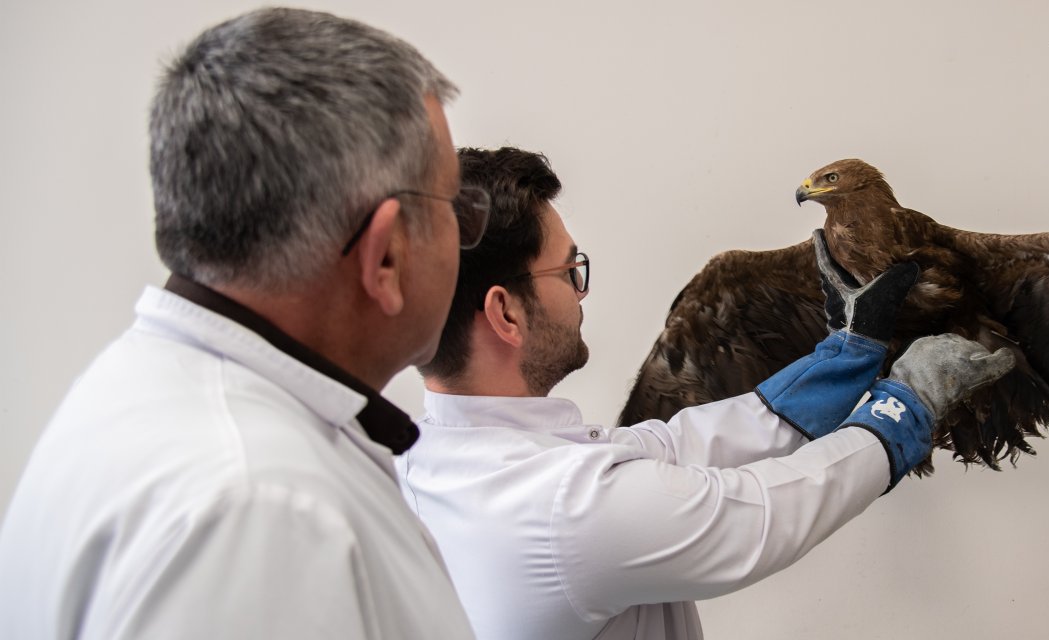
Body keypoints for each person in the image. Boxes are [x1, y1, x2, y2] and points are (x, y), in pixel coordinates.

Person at [396, 146, 1015, 639]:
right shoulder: (562, 511)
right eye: (568, 271)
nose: (581, 291)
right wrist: (904, 405)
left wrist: (848, 355)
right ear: (505, 314)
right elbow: (767, 514)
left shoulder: (422, 464)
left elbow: (674, 445)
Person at [0, 8, 482, 638]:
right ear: (385, 255)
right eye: (455, 203)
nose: (462, 231)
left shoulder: (147, 391)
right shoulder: (260, 509)